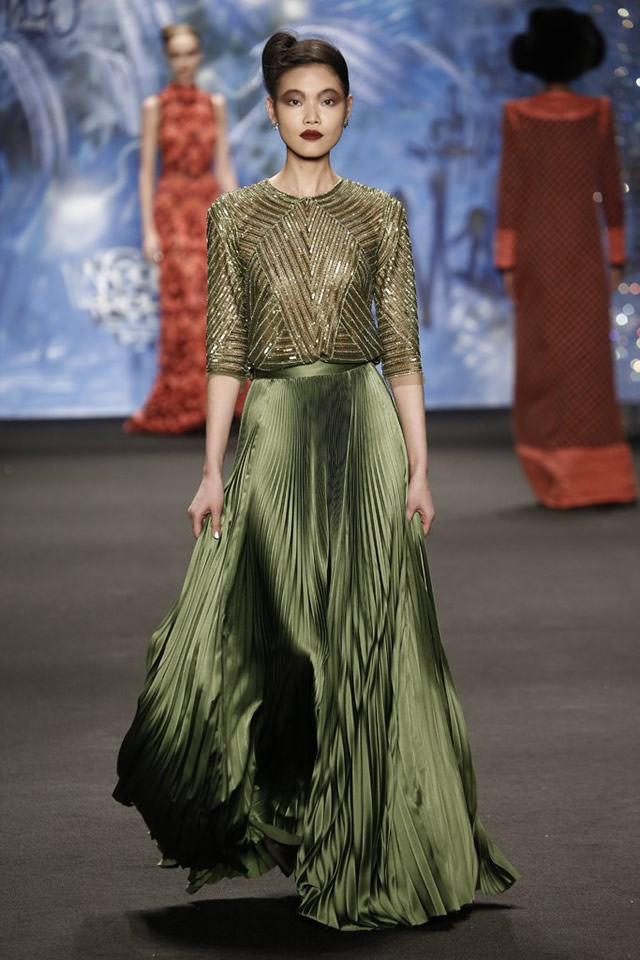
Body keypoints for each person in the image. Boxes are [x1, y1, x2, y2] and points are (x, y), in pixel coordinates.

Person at [113, 31, 518, 931]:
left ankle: (371, 846)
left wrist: (420, 466)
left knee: (369, 637)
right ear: (270, 110)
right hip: (277, 426)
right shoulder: (234, 217)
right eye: (295, 99)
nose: (311, 115)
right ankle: (293, 811)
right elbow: (226, 352)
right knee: (285, 632)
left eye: (327, 100)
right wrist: (211, 468)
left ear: (347, 110)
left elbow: (401, 350)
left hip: (364, 428)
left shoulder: (380, 213)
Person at [496, 7, 637, 508]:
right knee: (587, 361)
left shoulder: (517, 116)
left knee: (541, 360)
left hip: (536, 254)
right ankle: (599, 477)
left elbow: (511, 194)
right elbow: (612, 195)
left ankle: (555, 473)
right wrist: (616, 256)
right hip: (583, 255)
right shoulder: (597, 113)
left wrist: (506, 261)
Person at [125, 23, 248, 434]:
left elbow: (224, 166)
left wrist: (241, 216)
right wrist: (149, 229)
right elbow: (146, 171)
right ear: (168, 58)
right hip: (173, 210)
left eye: (190, 53)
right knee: (183, 308)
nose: (184, 61)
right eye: (176, 54)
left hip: (209, 205)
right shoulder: (154, 107)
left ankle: (224, 402)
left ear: (199, 55)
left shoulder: (215, 104)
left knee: (219, 305)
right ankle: (186, 402)